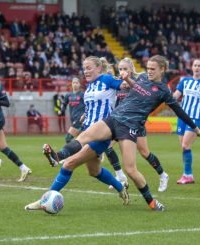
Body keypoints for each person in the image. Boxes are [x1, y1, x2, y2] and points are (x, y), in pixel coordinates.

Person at [30, 55, 200, 211]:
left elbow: (179, 110)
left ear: (163, 69)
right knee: (84, 136)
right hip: (114, 118)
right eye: (148, 68)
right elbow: (135, 87)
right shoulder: (143, 78)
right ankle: (57, 156)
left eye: (153, 69)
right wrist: (128, 79)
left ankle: (152, 201)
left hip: (130, 127)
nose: (149, 72)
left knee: (130, 169)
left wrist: (196, 128)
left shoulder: (163, 91)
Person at [25, 56, 130, 211]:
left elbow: (124, 85)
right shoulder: (89, 86)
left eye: (89, 68)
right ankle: (120, 187)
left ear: (99, 68)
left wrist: (128, 79)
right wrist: (84, 116)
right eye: (84, 68)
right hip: (87, 130)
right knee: (94, 171)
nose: (85, 71)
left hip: (101, 134)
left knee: (69, 164)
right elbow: (92, 107)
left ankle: (45, 197)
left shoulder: (107, 79)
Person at [106, 57, 169, 192]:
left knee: (145, 152)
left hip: (136, 124)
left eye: (125, 69)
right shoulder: (118, 84)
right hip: (119, 122)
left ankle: (163, 175)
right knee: (108, 147)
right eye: (120, 69)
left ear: (131, 69)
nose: (122, 71)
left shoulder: (141, 81)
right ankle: (120, 176)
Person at [173, 59, 200, 184]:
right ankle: (187, 174)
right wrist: (168, 98)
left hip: (196, 117)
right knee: (184, 148)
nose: (197, 68)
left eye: (199, 65)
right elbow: (176, 95)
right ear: (191, 67)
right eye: (195, 65)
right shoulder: (185, 81)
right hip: (182, 117)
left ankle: (188, 175)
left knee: (185, 145)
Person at [61, 77, 85, 143]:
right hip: (73, 119)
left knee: (68, 138)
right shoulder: (68, 95)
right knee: (82, 141)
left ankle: (69, 152)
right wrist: (62, 109)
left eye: (76, 83)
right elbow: (64, 103)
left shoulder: (83, 95)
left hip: (80, 120)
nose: (75, 84)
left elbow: (88, 105)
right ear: (71, 84)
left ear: (80, 84)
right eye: (73, 83)